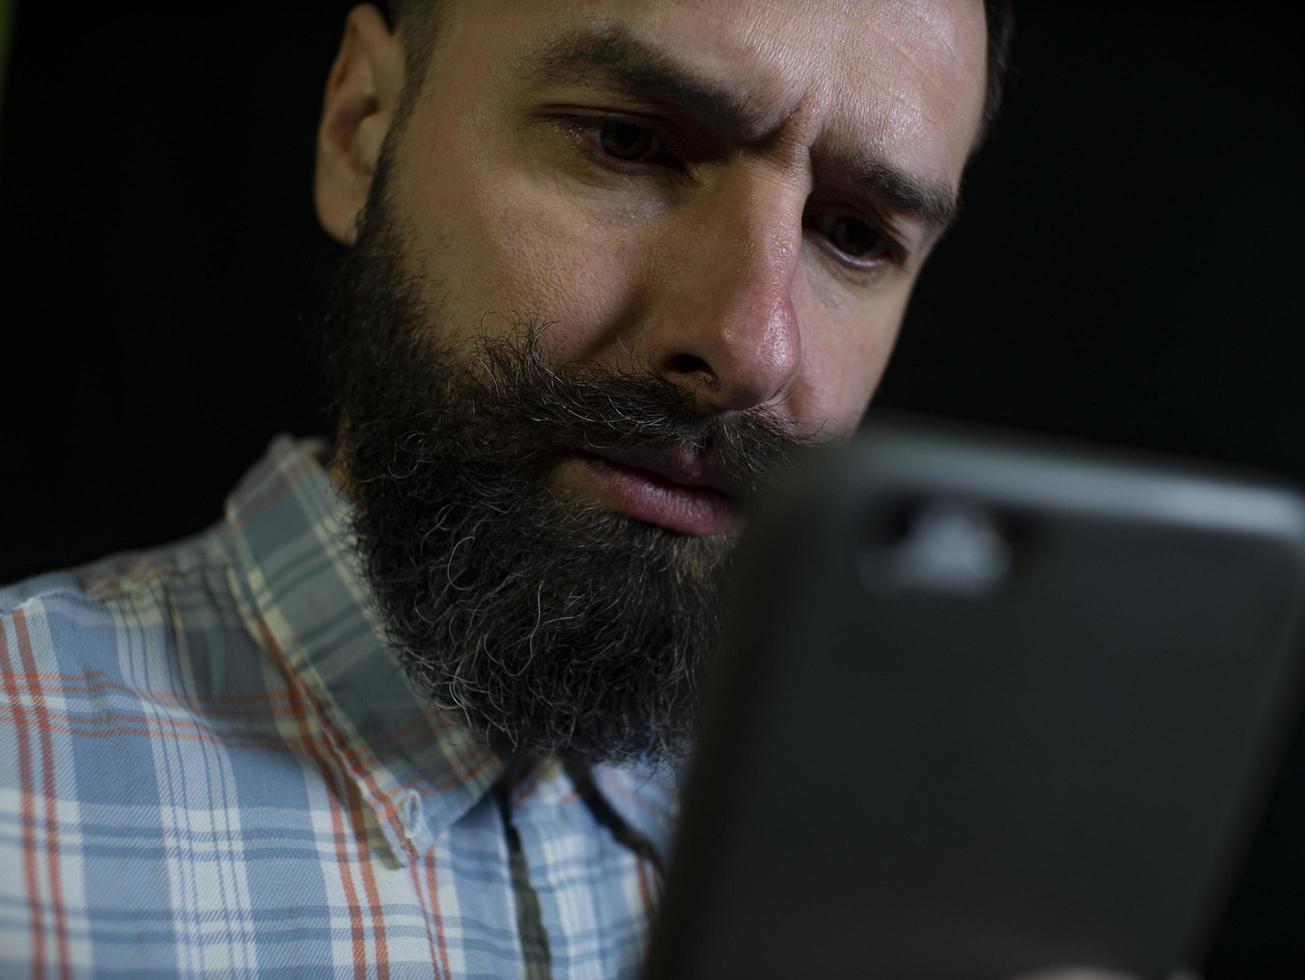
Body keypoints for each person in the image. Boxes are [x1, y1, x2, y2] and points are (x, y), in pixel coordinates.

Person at [0, 1, 1064, 977]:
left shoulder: (909, 868)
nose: (752, 347)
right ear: (360, 127)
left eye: (854, 235)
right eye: (629, 141)